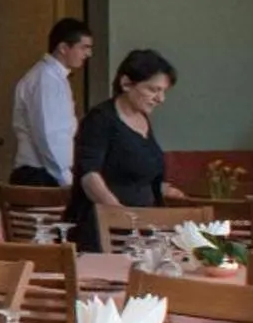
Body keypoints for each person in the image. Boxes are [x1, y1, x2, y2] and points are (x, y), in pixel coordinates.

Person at [66, 49, 187, 251]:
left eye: (164, 91)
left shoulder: (143, 118)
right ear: (126, 83)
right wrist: (119, 217)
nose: (161, 99)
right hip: (104, 229)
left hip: (144, 225)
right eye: (153, 90)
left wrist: (163, 189)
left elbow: (136, 172)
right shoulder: (101, 119)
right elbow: (89, 176)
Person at [8, 17, 93, 187]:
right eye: (84, 47)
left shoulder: (53, 78)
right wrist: (66, 180)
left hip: (46, 172)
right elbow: (49, 135)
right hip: (41, 175)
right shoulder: (46, 80)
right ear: (63, 48)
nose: (88, 54)